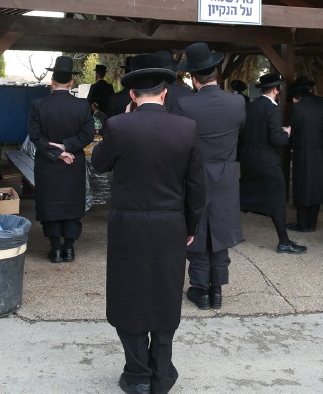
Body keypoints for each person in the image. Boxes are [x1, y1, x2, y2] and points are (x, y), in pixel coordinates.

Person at [91, 53, 205, 394]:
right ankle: (162, 372)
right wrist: (191, 227)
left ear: (132, 95)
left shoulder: (118, 125)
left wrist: (120, 123)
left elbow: (99, 164)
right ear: (164, 92)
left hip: (128, 226)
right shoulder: (186, 128)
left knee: (129, 295)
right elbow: (197, 187)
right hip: (170, 224)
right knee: (165, 294)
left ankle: (138, 374)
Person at [174, 42, 246, 310]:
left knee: (195, 231)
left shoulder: (184, 104)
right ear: (216, 72)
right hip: (226, 174)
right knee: (221, 231)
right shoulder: (237, 102)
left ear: (194, 78)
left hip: (196, 174)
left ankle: (200, 289)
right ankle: (217, 290)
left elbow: (178, 141)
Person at [28, 56, 95, 263]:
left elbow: (35, 137)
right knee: (71, 204)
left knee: (50, 204)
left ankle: (56, 249)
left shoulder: (38, 105)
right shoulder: (83, 106)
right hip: (73, 162)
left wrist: (56, 152)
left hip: (47, 164)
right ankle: (69, 248)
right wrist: (67, 147)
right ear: (71, 82)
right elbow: (88, 135)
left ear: (52, 81)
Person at [239, 72, 306, 254]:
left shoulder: (250, 106)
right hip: (266, 160)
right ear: (276, 89)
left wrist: (278, 130)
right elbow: (277, 139)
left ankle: (229, 231)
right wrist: (286, 133)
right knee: (277, 197)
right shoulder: (273, 109)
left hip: (249, 158)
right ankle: (284, 242)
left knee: (243, 193)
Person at [286, 76, 323, 232]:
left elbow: (292, 130)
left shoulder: (298, 108)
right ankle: (312, 223)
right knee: (316, 187)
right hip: (320, 150)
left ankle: (302, 224)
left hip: (302, 151)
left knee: (302, 187)